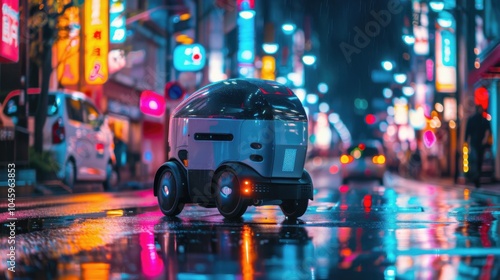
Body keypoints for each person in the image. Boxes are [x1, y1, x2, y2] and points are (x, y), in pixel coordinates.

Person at [464, 105, 491, 188]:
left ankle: (476, 178)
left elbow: (488, 131)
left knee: (477, 161)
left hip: (477, 143)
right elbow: (488, 130)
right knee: (476, 160)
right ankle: (476, 178)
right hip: (476, 143)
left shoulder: (479, 119)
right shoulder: (480, 119)